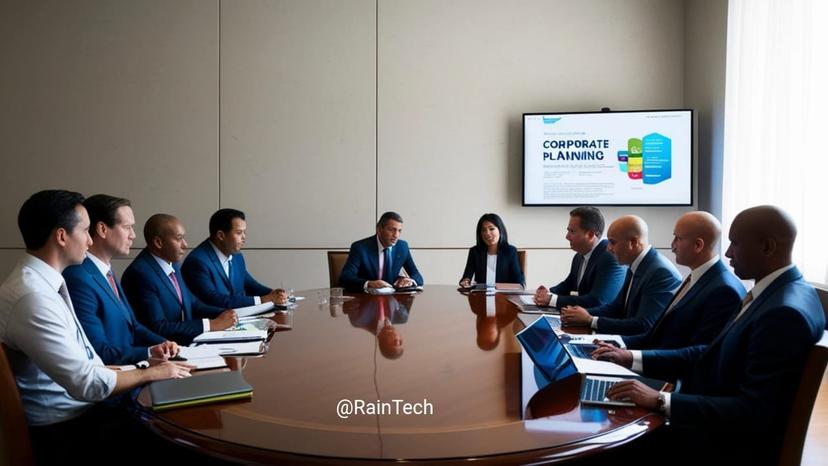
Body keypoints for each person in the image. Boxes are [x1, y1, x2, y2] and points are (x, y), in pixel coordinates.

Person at [606, 205, 825, 465]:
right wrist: (633, 361)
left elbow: (753, 410)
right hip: (706, 414)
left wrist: (661, 400)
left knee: (605, 438)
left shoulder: (782, 313)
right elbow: (710, 353)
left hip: (718, 442)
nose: (729, 252)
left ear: (768, 247)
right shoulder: (785, 292)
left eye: (735, 244)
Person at [0, 190, 190, 465]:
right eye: (86, 231)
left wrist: (147, 366)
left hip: (79, 417)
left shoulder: (41, 283)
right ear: (62, 236)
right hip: (68, 433)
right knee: (176, 443)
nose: (90, 241)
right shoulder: (33, 296)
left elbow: (90, 362)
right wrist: (152, 372)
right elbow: (88, 384)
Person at [591, 211, 745, 365]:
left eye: (678, 238)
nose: (672, 246)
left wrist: (631, 358)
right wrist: (614, 344)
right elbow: (656, 335)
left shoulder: (724, 290)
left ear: (698, 245)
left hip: (671, 378)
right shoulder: (699, 278)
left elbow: (703, 354)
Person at [63, 194, 180, 366]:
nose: (133, 235)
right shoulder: (79, 279)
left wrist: (165, 344)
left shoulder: (105, 271)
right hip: (118, 382)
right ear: (102, 229)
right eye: (127, 227)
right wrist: (148, 352)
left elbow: (134, 326)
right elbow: (98, 351)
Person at [121, 214, 237, 345]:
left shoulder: (172, 263)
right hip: (163, 354)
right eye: (179, 239)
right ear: (158, 242)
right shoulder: (139, 275)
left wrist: (224, 313)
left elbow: (191, 304)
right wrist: (211, 324)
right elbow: (158, 328)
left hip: (186, 345)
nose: (185, 245)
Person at [559, 215, 681, 335]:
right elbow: (616, 308)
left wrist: (591, 320)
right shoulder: (635, 264)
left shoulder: (661, 273)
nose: (608, 249)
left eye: (612, 242)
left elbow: (644, 325)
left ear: (633, 243)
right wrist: (580, 314)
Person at [181, 208, 287, 308]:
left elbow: (250, 284)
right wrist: (263, 300)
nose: (244, 237)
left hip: (239, 319)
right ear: (221, 236)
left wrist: (273, 293)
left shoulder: (236, 255)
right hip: (215, 322)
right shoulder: (196, 262)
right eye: (239, 233)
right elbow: (213, 300)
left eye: (244, 232)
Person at [534, 207, 625, 308]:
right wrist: (546, 293)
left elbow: (598, 301)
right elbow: (567, 285)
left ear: (590, 234)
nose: (567, 236)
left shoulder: (610, 256)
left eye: (572, 231)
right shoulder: (579, 256)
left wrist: (551, 300)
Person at [339, 211, 424, 292]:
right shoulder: (360, 248)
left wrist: (410, 281)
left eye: (399, 230)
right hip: (367, 300)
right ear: (379, 229)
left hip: (393, 301)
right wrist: (369, 283)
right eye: (391, 230)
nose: (396, 235)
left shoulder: (402, 247)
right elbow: (345, 278)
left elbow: (417, 276)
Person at [458, 213, 525, 287]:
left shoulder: (510, 251)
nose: (487, 233)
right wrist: (466, 281)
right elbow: (466, 277)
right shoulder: (475, 252)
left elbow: (519, 282)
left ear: (500, 229)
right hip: (480, 296)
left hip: (503, 296)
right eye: (483, 230)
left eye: (491, 229)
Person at [344, 295, 413, 359]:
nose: (398, 339)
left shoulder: (358, 320)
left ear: (383, 343)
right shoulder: (402, 318)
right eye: (400, 342)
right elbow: (410, 292)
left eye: (395, 342)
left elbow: (351, 294)